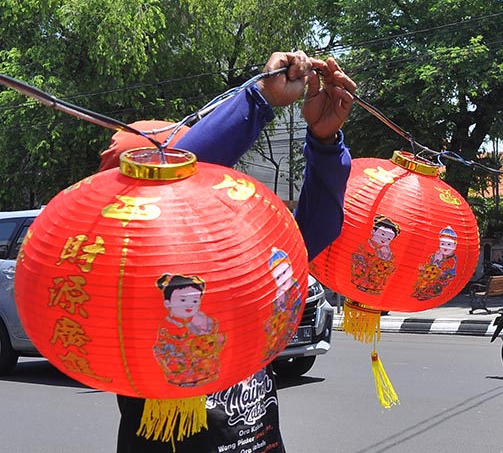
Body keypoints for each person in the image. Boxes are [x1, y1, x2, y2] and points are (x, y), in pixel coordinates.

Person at [112, 50, 356, 453]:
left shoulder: (234, 255)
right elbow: (179, 176)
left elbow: (313, 230)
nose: (204, 179)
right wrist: (258, 99)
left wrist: (325, 142)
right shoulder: (129, 263)